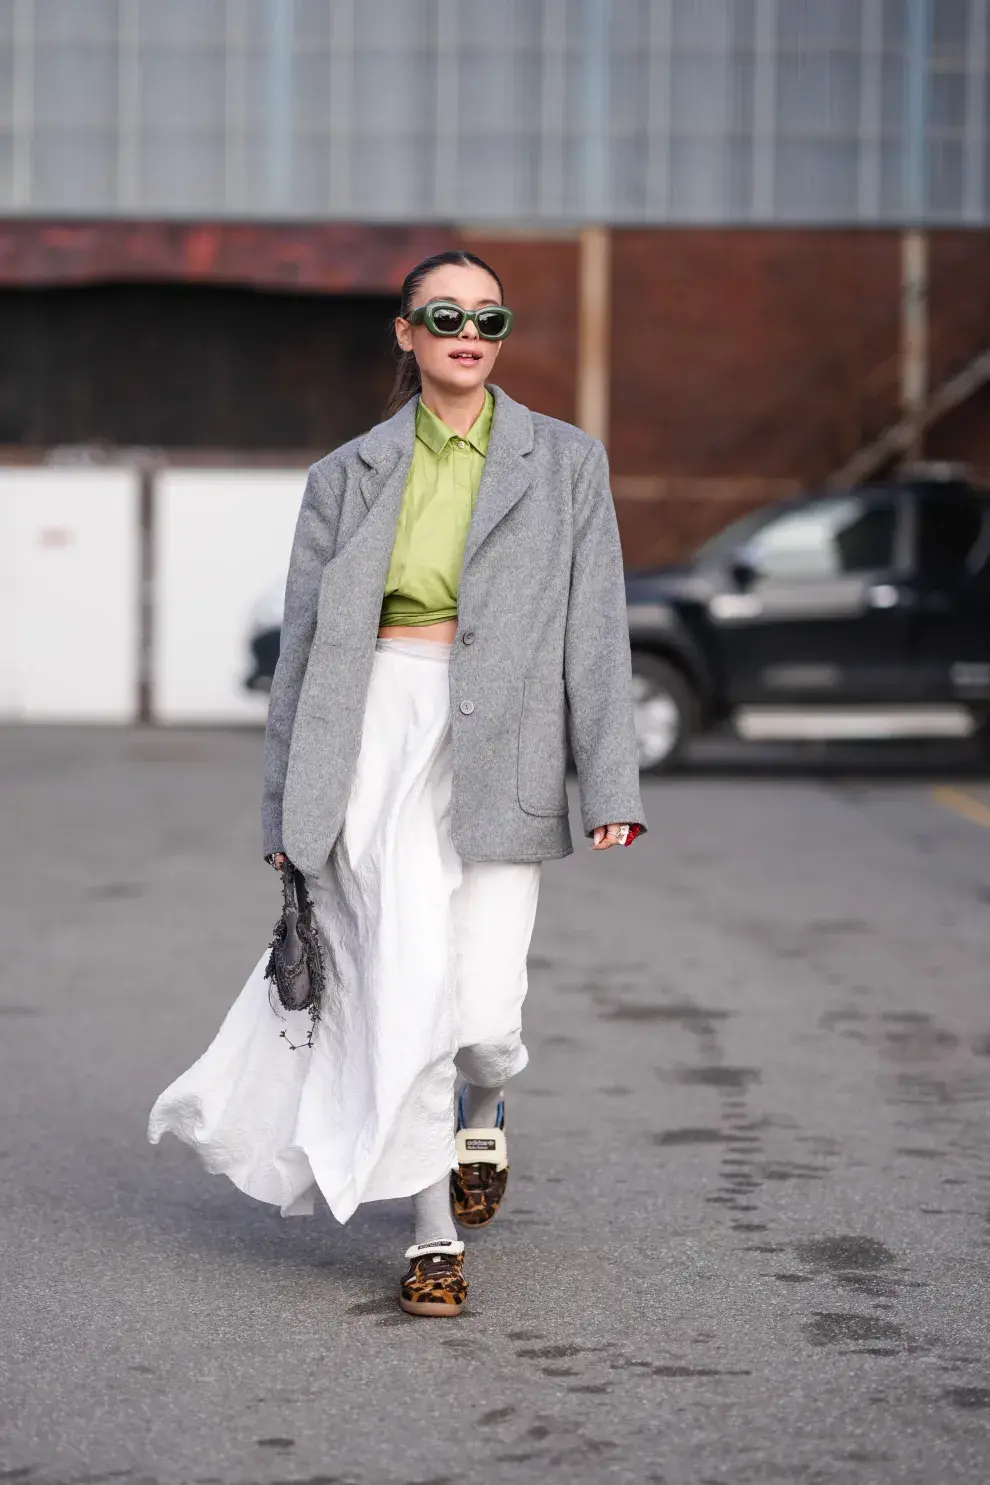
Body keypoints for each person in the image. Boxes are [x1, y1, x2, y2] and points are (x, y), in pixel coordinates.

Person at [149, 249, 646, 1317]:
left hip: (504, 743)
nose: (470, 331)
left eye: (489, 316)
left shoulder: (566, 463)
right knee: (404, 994)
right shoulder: (346, 475)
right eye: (447, 314)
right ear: (406, 332)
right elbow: (303, 654)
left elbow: (596, 634)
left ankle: (488, 1107)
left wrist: (613, 785)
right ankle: (432, 1242)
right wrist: (287, 806)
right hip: (375, 735)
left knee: (486, 1020)